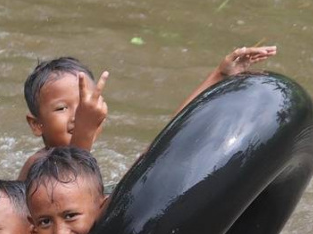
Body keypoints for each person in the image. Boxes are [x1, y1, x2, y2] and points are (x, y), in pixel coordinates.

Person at [17, 46, 277, 180]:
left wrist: (218, 76)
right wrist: (85, 129)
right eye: (62, 108)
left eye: (86, 103)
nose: (79, 114)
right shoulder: (38, 166)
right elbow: (70, 182)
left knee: (151, 157)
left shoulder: (85, 160)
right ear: (36, 124)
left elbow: (163, 143)